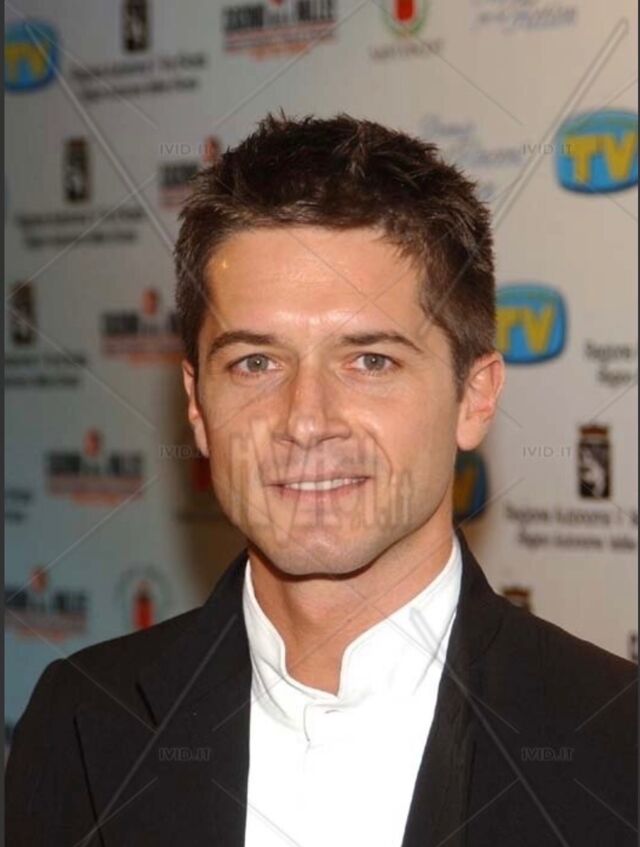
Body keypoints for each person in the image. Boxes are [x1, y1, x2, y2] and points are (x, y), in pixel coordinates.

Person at [6, 113, 636, 846]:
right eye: (255, 363)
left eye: (370, 361)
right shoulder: (82, 723)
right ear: (197, 406)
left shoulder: (617, 746)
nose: (306, 420)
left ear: (475, 396)